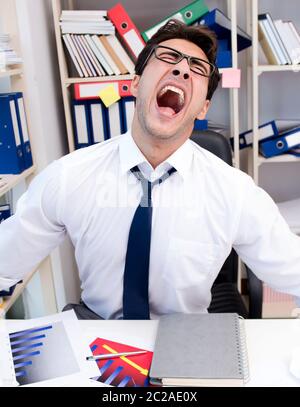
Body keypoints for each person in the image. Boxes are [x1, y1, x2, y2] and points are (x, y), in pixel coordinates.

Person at [0, 20, 300, 320]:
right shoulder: (68, 177)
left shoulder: (234, 191)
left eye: (197, 68)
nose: (182, 69)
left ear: (203, 108)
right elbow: (5, 262)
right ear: (135, 83)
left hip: (189, 342)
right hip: (99, 339)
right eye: (168, 57)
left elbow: (293, 269)